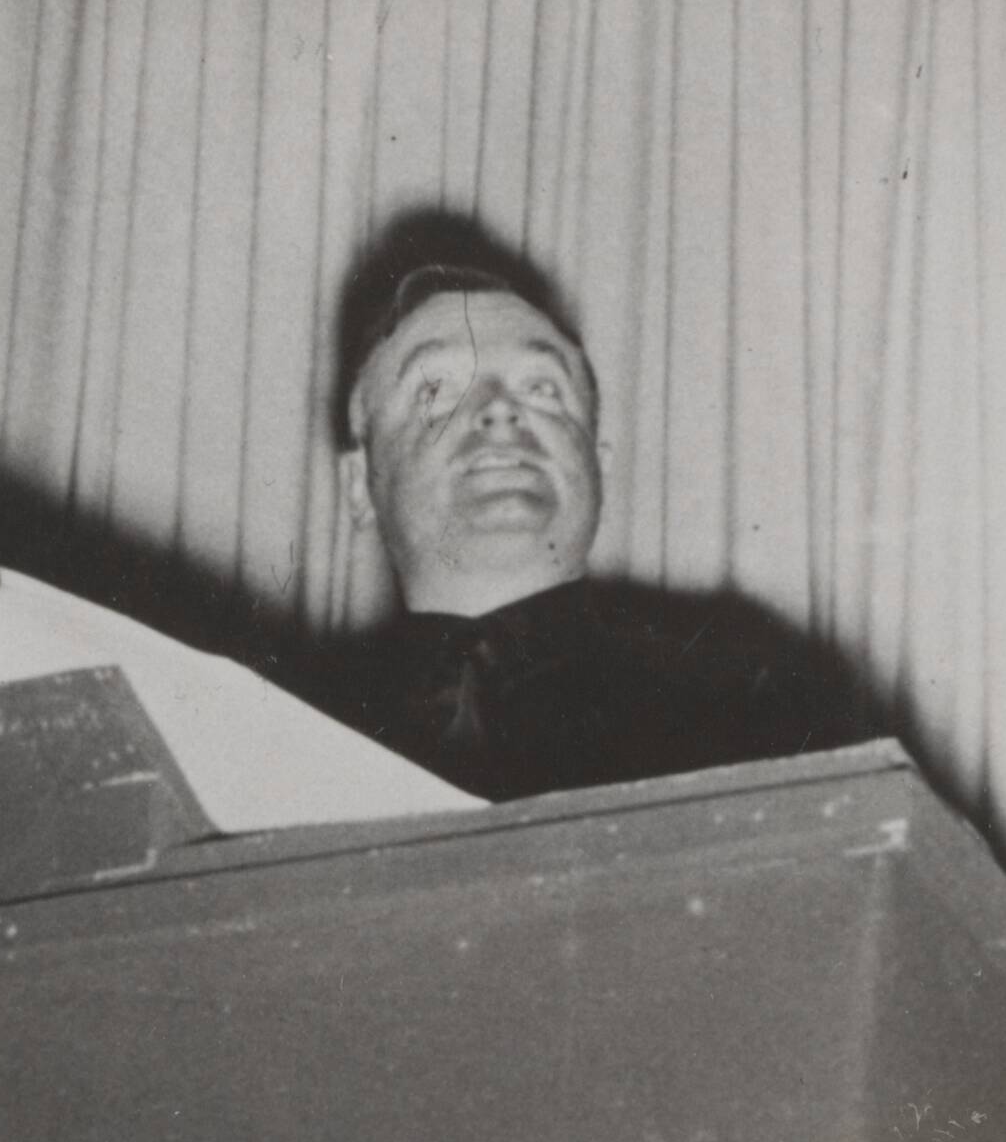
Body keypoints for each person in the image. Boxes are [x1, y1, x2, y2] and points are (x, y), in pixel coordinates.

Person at [319, 211, 880, 802]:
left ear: (598, 461)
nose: (499, 409)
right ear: (359, 483)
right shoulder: (285, 729)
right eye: (436, 390)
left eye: (542, 388)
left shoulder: (763, 707)